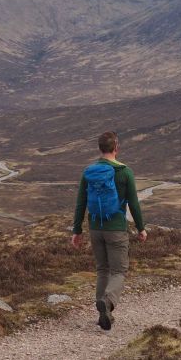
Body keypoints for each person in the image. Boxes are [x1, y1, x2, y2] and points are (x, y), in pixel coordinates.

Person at [71, 131, 147, 330]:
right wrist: (141, 228)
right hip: (116, 228)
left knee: (102, 270)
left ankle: (102, 314)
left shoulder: (89, 172)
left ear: (99, 148)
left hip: (95, 228)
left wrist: (77, 230)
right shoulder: (125, 172)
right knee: (119, 270)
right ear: (116, 148)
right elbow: (134, 204)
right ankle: (108, 302)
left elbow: (81, 203)